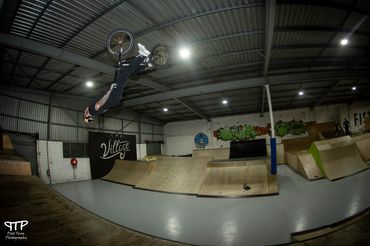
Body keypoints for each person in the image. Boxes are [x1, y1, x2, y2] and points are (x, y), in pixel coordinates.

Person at [83, 43, 151, 123]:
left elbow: (102, 104)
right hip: (112, 96)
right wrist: (110, 91)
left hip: (114, 99)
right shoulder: (92, 111)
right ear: (87, 115)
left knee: (124, 70)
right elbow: (100, 103)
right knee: (124, 74)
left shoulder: (96, 113)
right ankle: (143, 56)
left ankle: (147, 65)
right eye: (84, 114)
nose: (84, 112)